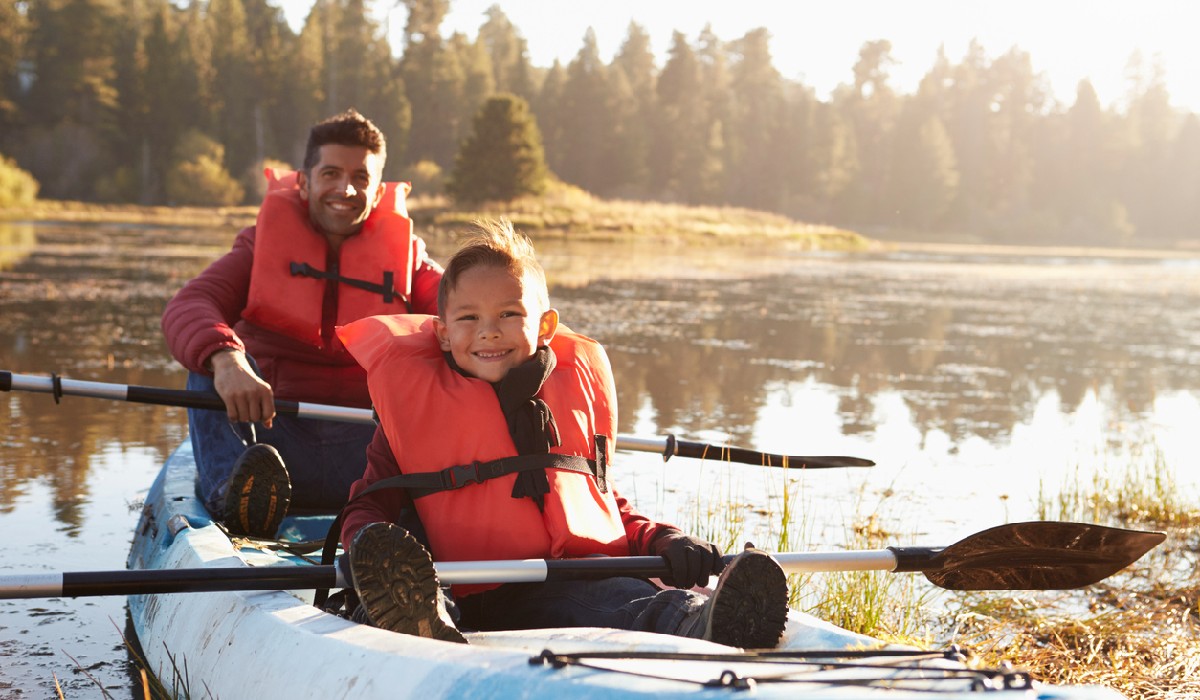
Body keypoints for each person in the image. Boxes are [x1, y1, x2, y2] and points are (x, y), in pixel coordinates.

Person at [333, 219, 790, 648]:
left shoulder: (572, 396)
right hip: (482, 592)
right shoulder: (413, 410)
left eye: (510, 314)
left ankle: (703, 621)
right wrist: (371, 544)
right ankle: (422, 618)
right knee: (598, 598)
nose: (489, 332)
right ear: (444, 334)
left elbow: (605, 505)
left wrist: (664, 539)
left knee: (620, 595)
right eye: (469, 318)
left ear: (545, 326)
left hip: (578, 581)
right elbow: (368, 503)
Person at [161, 109, 443, 538]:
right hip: (272, 447)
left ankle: (419, 523)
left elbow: (471, 315)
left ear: (377, 188)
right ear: (305, 182)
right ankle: (232, 501)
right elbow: (190, 304)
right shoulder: (258, 248)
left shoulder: (410, 260)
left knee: (469, 357)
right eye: (330, 173)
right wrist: (228, 359)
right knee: (207, 361)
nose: (345, 189)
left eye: (361, 178)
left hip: (369, 455)